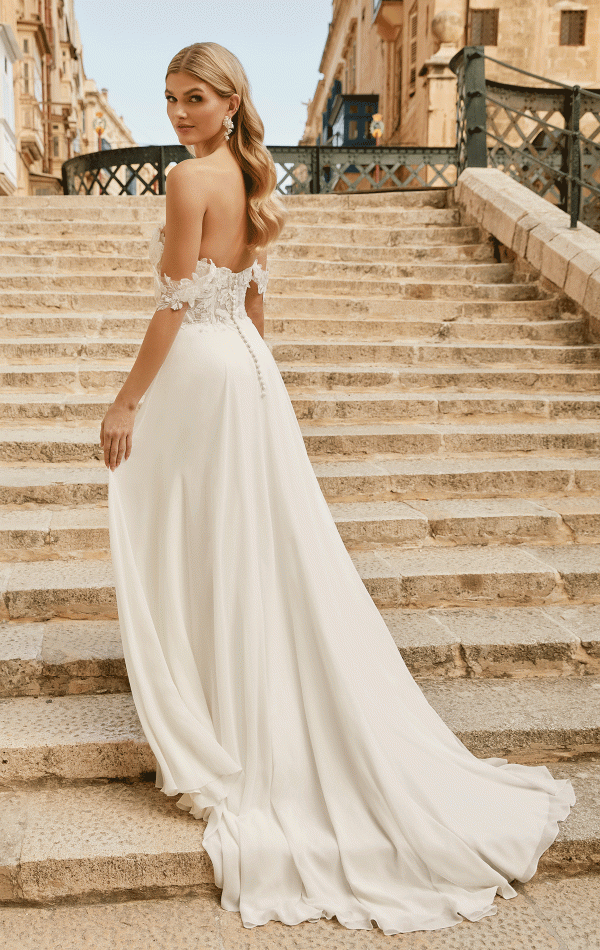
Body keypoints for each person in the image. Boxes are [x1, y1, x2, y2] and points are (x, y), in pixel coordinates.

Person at [104, 41, 575, 937]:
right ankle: (235, 689)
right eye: (169, 99)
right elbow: (252, 299)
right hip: (247, 372)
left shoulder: (188, 182)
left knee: (196, 529)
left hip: (203, 371)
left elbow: (173, 304)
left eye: (194, 98)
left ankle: (219, 705)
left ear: (231, 101)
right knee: (248, 539)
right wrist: (262, 375)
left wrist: (127, 400)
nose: (178, 114)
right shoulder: (249, 177)